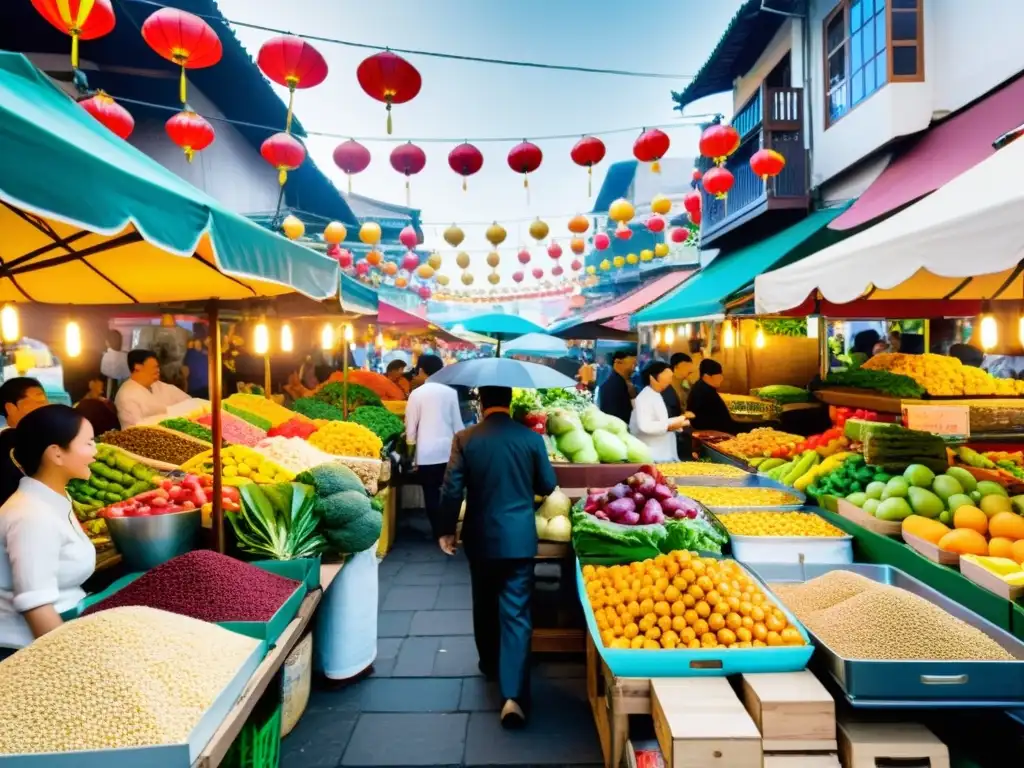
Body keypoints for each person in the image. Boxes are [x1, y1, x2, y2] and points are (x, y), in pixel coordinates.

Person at [438, 385, 557, 729]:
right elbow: (547, 485)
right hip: (519, 538)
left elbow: (451, 489)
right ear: (508, 403)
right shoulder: (531, 439)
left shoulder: (465, 438)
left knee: (484, 601)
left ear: (481, 403)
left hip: (480, 535)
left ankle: (490, 665)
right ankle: (514, 695)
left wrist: (446, 529)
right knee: (517, 611)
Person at [0, 405, 97, 657]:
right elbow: (37, 606)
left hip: (67, 626)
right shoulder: (30, 516)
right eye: (88, 443)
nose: (95, 452)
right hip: (26, 650)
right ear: (56, 454)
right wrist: (72, 663)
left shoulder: (53, 498)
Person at [405, 355, 464, 538]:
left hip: (426, 453)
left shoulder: (416, 394)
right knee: (450, 492)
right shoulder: (450, 393)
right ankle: (449, 529)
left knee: (430, 493)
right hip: (449, 452)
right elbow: (458, 426)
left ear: (422, 370)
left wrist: (410, 456)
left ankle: (437, 532)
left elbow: (410, 430)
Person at [0, 378, 48, 508]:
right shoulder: (12, 442)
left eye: (46, 401)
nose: (47, 407)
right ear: (10, 408)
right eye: (39, 402)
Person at [113, 349, 190, 428]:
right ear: (137, 367)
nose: (158, 370)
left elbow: (189, 402)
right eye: (154, 367)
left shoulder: (158, 385)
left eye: (158, 367)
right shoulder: (126, 395)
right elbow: (136, 428)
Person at [630, 362, 689, 462]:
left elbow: (660, 420)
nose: (670, 381)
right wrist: (669, 426)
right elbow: (645, 426)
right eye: (667, 376)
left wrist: (680, 420)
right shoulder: (645, 397)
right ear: (652, 378)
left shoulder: (655, 394)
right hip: (653, 455)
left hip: (662, 453)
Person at [687, 358, 737, 434]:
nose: (722, 379)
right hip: (711, 434)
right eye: (719, 376)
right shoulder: (703, 391)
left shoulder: (703, 387)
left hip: (718, 430)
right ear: (707, 376)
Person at [661, 353, 695, 460]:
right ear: (676, 367)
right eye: (686, 367)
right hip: (673, 439)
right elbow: (667, 416)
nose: (689, 371)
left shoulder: (683, 384)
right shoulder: (667, 387)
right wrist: (684, 416)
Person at [597, 350, 636, 425]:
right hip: (617, 425)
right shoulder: (615, 383)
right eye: (632, 364)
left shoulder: (618, 380)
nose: (634, 368)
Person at [182, 327, 210, 399]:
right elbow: (185, 372)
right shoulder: (190, 353)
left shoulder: (206, 354)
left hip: (204, 389)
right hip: (196, 390)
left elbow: (185, 372)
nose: (196, 343)